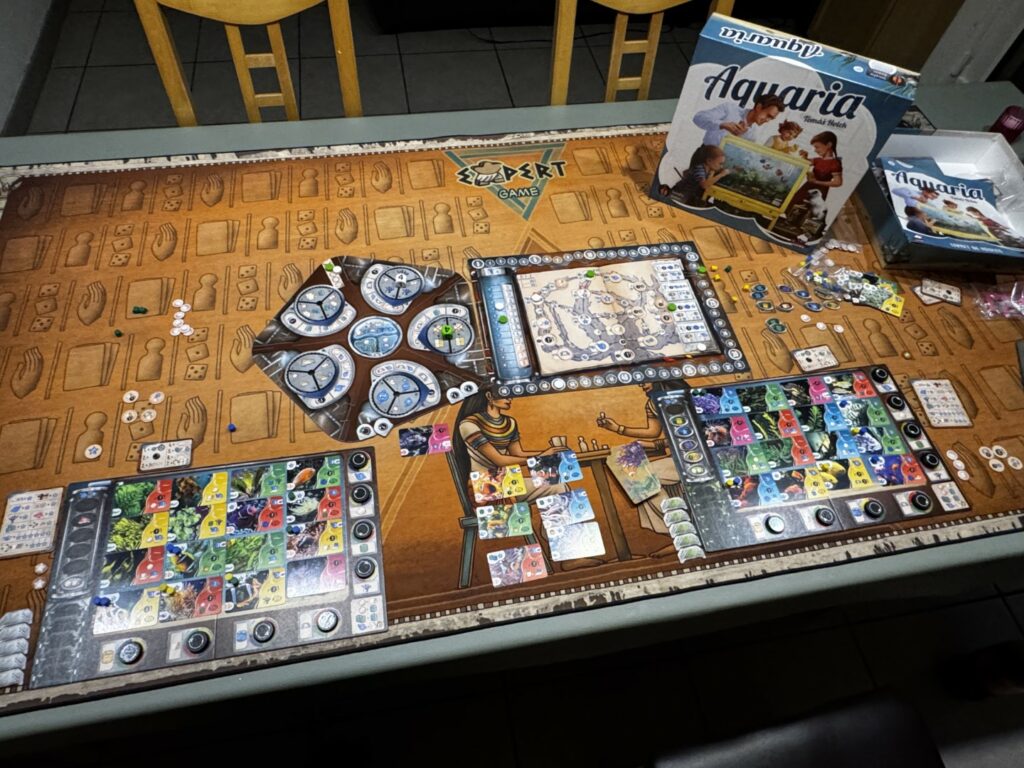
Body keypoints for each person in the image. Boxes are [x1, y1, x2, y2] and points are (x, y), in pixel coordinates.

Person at [595, 383, 679, 555]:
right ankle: (678, 534)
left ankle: (682, 533)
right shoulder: (652, 403)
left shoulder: (679, 396)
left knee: (640, 478)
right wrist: (617, 428)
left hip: (693, 457)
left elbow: (687, 435)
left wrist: (654, 445)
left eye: (644, 379)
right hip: (675, 458)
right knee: (632, 475)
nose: (641, 384)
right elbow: (653, 431)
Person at [456, 390, 565, 502]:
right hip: (484, 484)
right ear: (489, 395)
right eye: (504, 393)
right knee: (557, 487)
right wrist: (540, 457)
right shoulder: (468, 424)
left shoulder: (510, 422)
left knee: (558, 483)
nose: (510, 398)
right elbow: (499, 460)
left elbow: (517, 453)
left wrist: (549, 452)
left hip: (507, 478)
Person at [692, 93, 786, 147]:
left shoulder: (752, 136)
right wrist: (722, 124)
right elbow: (698, 117)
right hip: (703, 155)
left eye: (771, 118)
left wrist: (738, 138)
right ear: (759, 107)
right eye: (768, 115)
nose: (768, 120)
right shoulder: (729, 109)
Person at [661, 145, 731, 206]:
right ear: (709, 161)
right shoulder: (700, 169)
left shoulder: (706, 169)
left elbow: (686, 173)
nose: (721, 166)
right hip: (680, 193)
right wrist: (721, 175)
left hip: (687, 194)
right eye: (720, 164)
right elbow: (704, 185)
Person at [789, 131, 843, 209]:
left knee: (805, 210)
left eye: (817, 147)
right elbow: (806, 163)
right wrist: (805, 156)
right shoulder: (818, 160)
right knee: (792, 204)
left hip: (818, 193)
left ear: (829, 145)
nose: (815, 150)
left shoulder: (834, 163)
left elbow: (838, 182)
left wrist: (816, 181)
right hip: (806, 188)